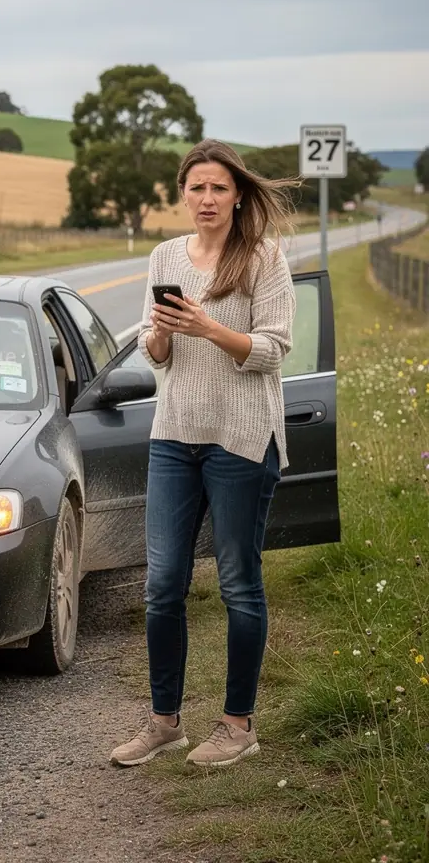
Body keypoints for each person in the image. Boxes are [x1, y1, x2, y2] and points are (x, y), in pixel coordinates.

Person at [109, 138, 301, 769]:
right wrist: (161, 333)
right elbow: (156, 356)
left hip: (242, 438)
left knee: (239, 584)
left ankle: (238, 725)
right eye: (198, 188)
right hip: (175, 435)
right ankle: (165, 723)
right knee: (162, 584)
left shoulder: (263, 258)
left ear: (238, 194)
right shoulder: (166, 254)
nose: (208, 198)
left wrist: (210, 328)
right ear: (183, 194)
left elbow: (274, 349)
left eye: (219, 187)